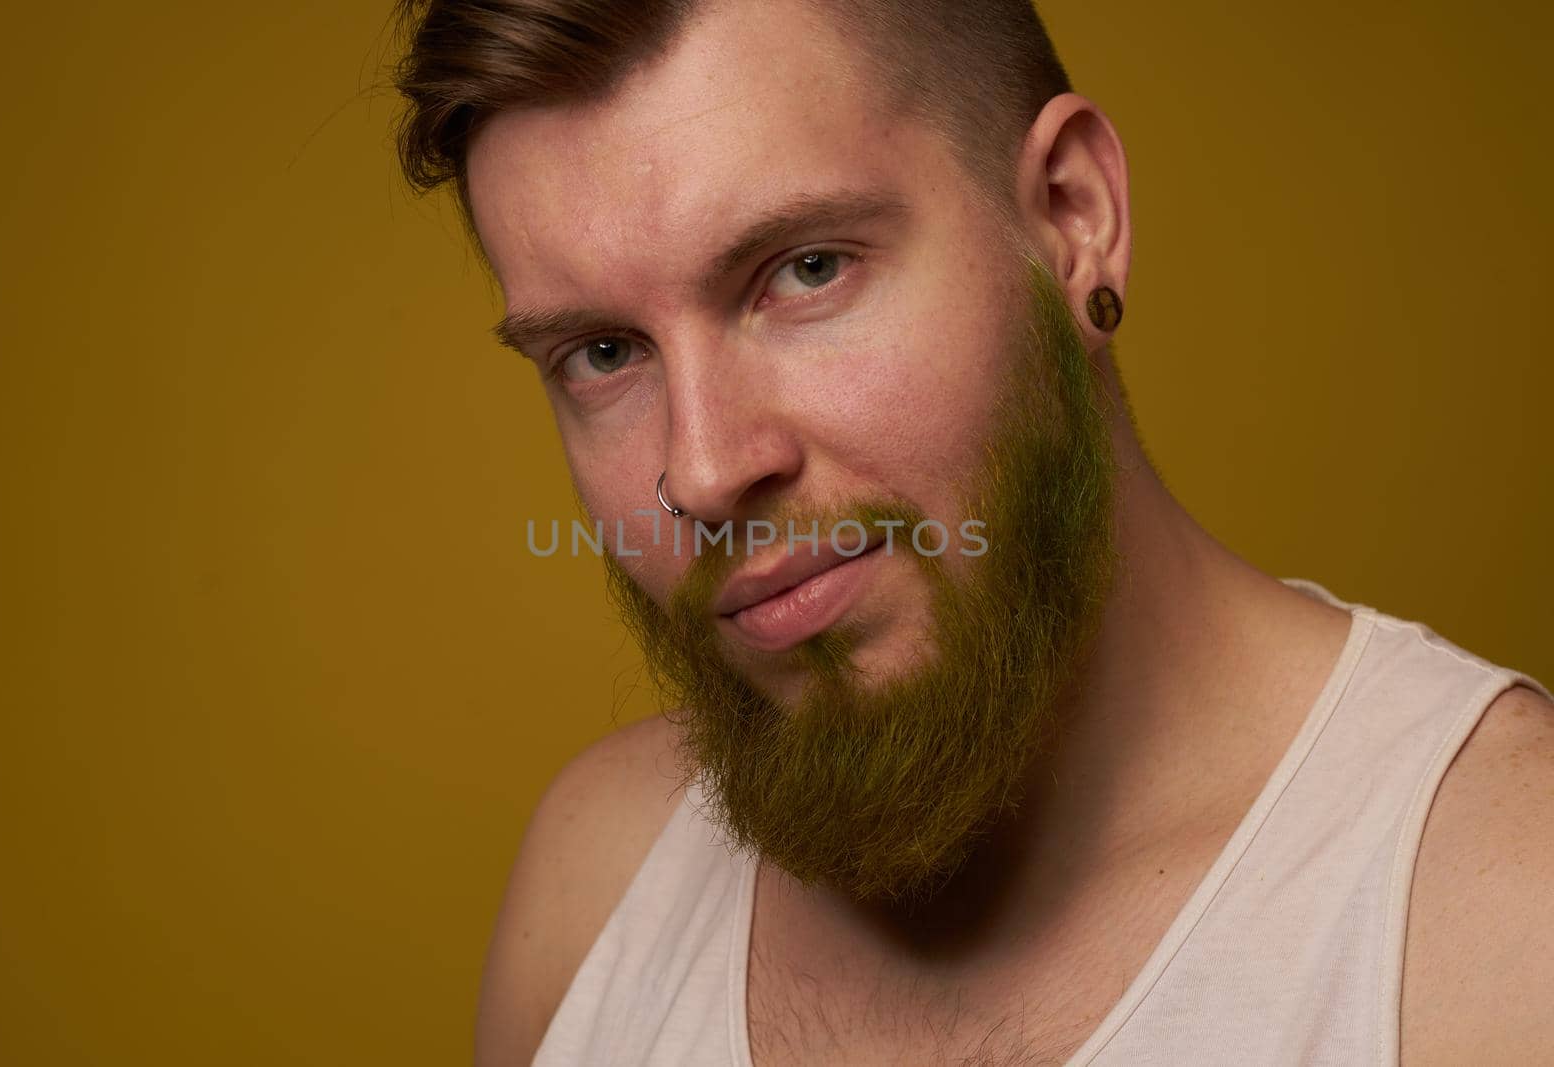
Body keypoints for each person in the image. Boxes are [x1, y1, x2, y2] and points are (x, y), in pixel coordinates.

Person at [389, 1, 1554, 1063]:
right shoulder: (596, 869)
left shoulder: (1502, 920)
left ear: (1069, 217)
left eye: (804, 270)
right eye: (600, 352)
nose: (699, 471)